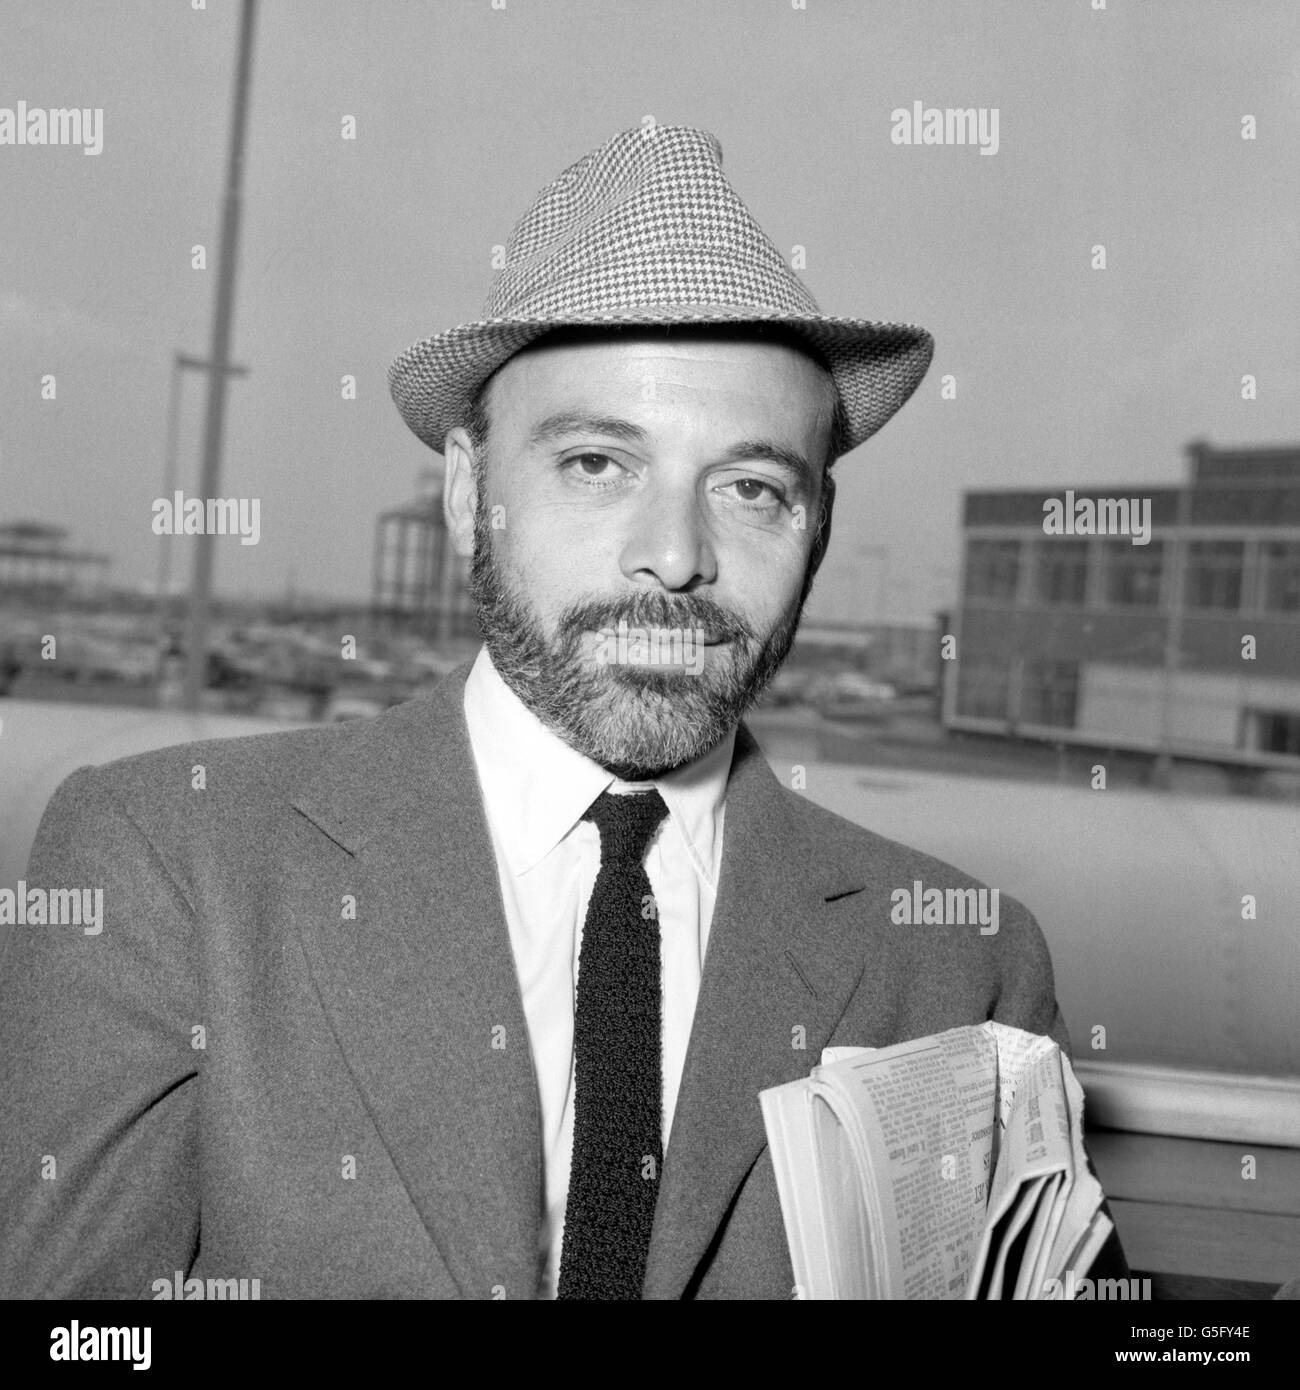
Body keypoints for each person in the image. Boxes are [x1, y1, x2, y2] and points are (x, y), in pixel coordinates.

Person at [0, 124, 1121, 1299]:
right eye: (597, 463)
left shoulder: (959, 959)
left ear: (817, 527)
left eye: (749, 488)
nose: (676, 557)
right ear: (467, 491)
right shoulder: (169, 864)